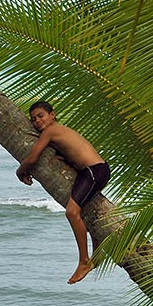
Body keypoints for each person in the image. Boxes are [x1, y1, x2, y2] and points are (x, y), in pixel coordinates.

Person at [16, 101, 110, 284]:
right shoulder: (61, 131)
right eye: (33, 119)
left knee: (72, 212)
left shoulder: (50, 131)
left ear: (53, 114)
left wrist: (19, 172)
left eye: (41, 116)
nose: (37, 121)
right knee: (85, 210)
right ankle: (98, 253)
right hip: (98, 170)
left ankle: (84, 261)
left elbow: (33, 157)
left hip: (92, 171)